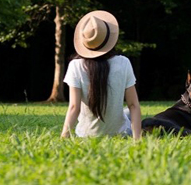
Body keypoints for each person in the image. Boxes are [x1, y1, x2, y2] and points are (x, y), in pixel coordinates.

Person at [61, 10, 142, 140]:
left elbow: (74, 107)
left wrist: (64, 136)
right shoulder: (123, 62)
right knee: (127, 112)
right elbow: (133, 105)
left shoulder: (75, 66)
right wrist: (137, 139)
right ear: (109, 38)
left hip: (86, 135)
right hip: (119, 133)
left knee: (125, 112)